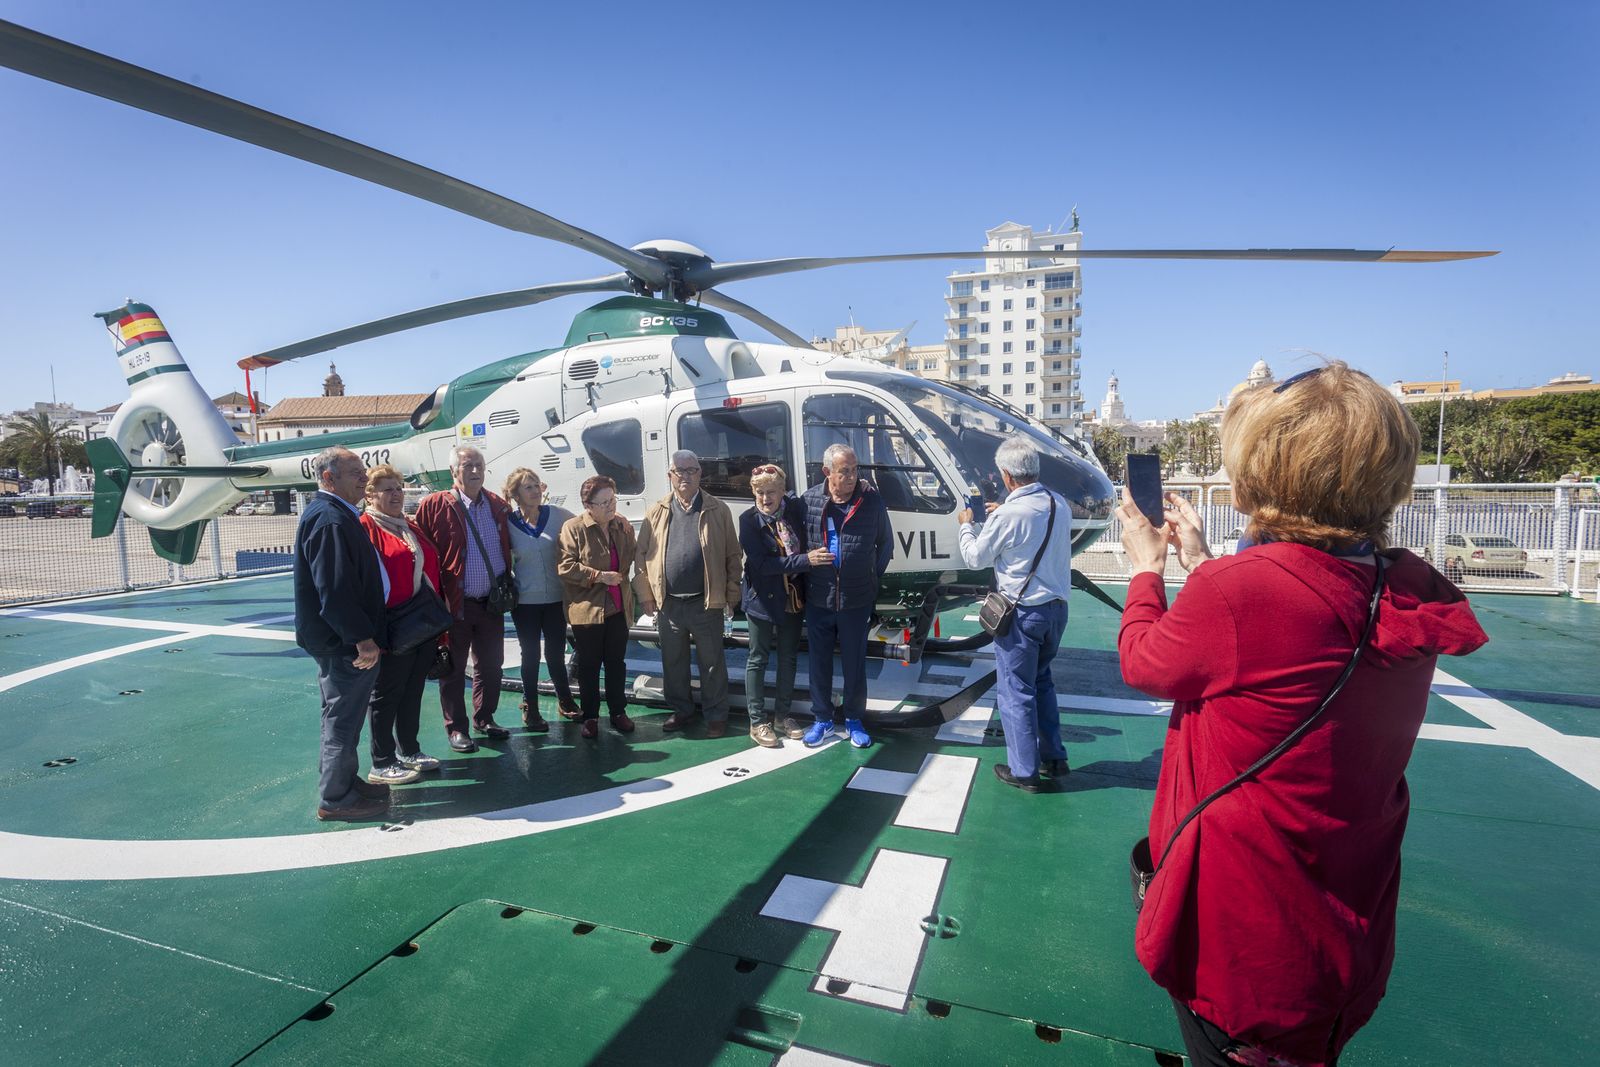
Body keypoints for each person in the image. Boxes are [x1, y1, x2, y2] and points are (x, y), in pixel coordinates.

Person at [1116, 362, 1487, 1067]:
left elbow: (1146, 660)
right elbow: (1298, 636)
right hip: (1345, 928)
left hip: (1243, 940)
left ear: (1264, 472)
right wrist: (1204, 563)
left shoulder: (1241, 591)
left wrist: (1146, 567)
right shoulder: (1401, 584)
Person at [956, 435, 1074, 792]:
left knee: (1015, 691)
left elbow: (975, 557)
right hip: (1056, 611)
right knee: (1042, 682)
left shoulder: (1009, 514)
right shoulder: (1058, 504)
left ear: (1007, 476)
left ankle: (1024, 771)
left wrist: (966, 524)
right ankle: (1055, 757)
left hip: (1022, 616)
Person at [293, 447, 390, 821]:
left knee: (343, 716)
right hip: (344, 645)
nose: (364, 478)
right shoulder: (330, 520)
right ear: (329, 478)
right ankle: (335, 798)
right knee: (342, 720)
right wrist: (361, 638)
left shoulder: (337, 515)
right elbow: (333, 590)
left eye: (363, 471)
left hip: (341, 640)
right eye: (355, 473)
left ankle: (345, 783)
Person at [633, 450, 743, 739]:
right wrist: (646, 593)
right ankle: (682, 710)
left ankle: (717, 716)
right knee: (673, 662)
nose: (685, 476)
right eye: (679, 471)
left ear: (700, 473)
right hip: (668, 604)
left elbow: (733, 555)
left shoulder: (718, 509)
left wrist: (732, 594)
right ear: (670, 475)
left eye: (691, 470)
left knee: (711, 663)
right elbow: (641, 555)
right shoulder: (656, 511)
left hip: (705, 602)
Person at [414, 445, 515, 754]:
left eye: (479, 465)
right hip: (454, 604)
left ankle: (485, 718)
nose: (474, 471)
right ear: (454, 472)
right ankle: (456, 728)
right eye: (467, 465)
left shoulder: (497, 505)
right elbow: (421, 549)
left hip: (490, 604)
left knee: (491, 665)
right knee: (453, 668)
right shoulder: (434, 505)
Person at [800, 444, 893, 749]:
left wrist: (868, 577)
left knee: (855, 663)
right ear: (828, 472)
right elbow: (797, 543)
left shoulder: (871, 500)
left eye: (855, 470)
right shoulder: (810, 500)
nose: (852, 476)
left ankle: (854, 718)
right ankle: (822, 719)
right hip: (819, 597)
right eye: (845, 471)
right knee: (819, 663)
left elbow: (886, 545)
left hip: (856, 599)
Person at [359, 464, 445, 784]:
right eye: (387, 489)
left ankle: (409, 750)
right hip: (392, 626)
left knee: (413, 690)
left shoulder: (408, 526)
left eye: (398, 488)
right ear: (370, 495)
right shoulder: (365, 527)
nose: (396, 494)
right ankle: (381, 761)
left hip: (421, 623)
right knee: (386, 694)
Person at [738, 464, 832, 747]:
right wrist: (806, 560)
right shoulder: (748, 521)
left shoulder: (792, 510)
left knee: (788, 657)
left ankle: (782, 715)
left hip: (792, 599)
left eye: (771, 492)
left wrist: (861, 485)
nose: (766, 498)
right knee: (758, 658)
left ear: (782, 492)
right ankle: (757, 721)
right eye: (760, 493)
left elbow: (818, 496)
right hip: (762, 602)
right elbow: (763, 565)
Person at [557, 475, 638, 739]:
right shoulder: (574, 528)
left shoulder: (621, 527)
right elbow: (566, 567)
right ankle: (590, 716)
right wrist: (599, 576)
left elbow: (632, 555)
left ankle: (618, 712)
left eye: (612, 500)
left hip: (617, 608)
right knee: (589, 666)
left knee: (616, 663)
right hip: (587, 610)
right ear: (588, 505)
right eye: (603, 502)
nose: (610, 506)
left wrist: (628, 530)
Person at [503, 467, 579, 732]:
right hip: (525, 602)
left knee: (556, 654)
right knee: (531, 655)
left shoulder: (557, 515)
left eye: (537, 485)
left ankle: (565, 700)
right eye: (528, 487)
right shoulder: (508, 523)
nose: (535, 491)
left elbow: (584, 526)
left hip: (556, 599)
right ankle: (531, 707)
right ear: (516, 494)